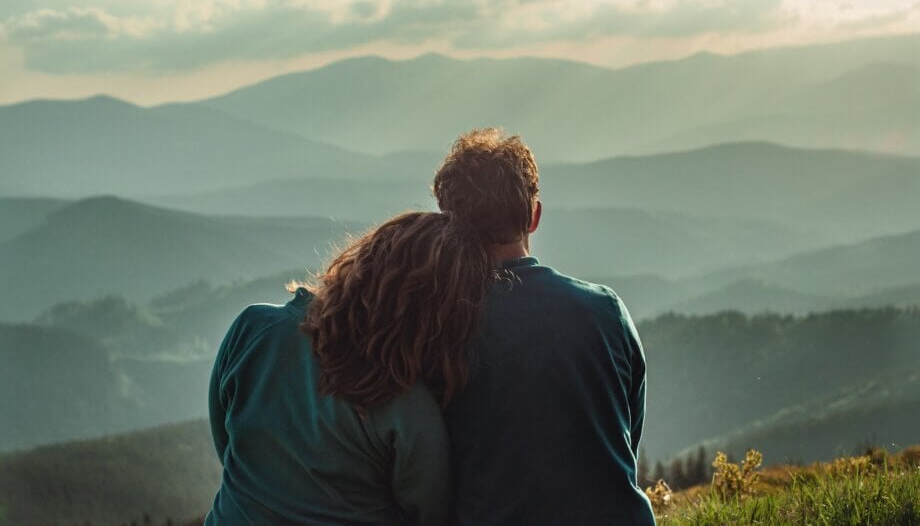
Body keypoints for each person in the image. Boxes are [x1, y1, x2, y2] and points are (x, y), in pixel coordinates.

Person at [205, 211, 492, 525]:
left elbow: (227, 443)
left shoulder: (253, 328)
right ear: (438, 316)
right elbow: (427, 514)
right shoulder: (408, 405)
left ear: (366, 258)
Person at [436, 128, 656, 525]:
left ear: (448, 224)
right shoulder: (606, 312)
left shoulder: (441, 326)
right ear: (534, 216)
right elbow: (628, 435)